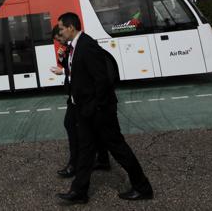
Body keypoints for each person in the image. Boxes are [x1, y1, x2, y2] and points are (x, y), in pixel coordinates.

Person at [55, 12, 153, 204]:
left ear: (70, 27)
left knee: (118, 148)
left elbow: (102, 79)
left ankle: (143, 187)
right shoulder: (74, 47)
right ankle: (79, 192)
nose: (59, 32)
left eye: (60, 28)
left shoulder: (87, 46)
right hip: (84, 110)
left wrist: (95, 107)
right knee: (86, 150)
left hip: (99, 111)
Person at [50, 25, 110, 179]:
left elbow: (83, 71)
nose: (60, 42)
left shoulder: (84, 45)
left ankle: (76, 166)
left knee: (75, 127)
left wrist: (63, 71)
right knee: (94, 131)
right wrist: (62, 59)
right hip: (78, 97)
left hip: (84, 98)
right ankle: (99, 160)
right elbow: (71, 66)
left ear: (68, 29)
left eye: (60, 37)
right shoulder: (70, 47)